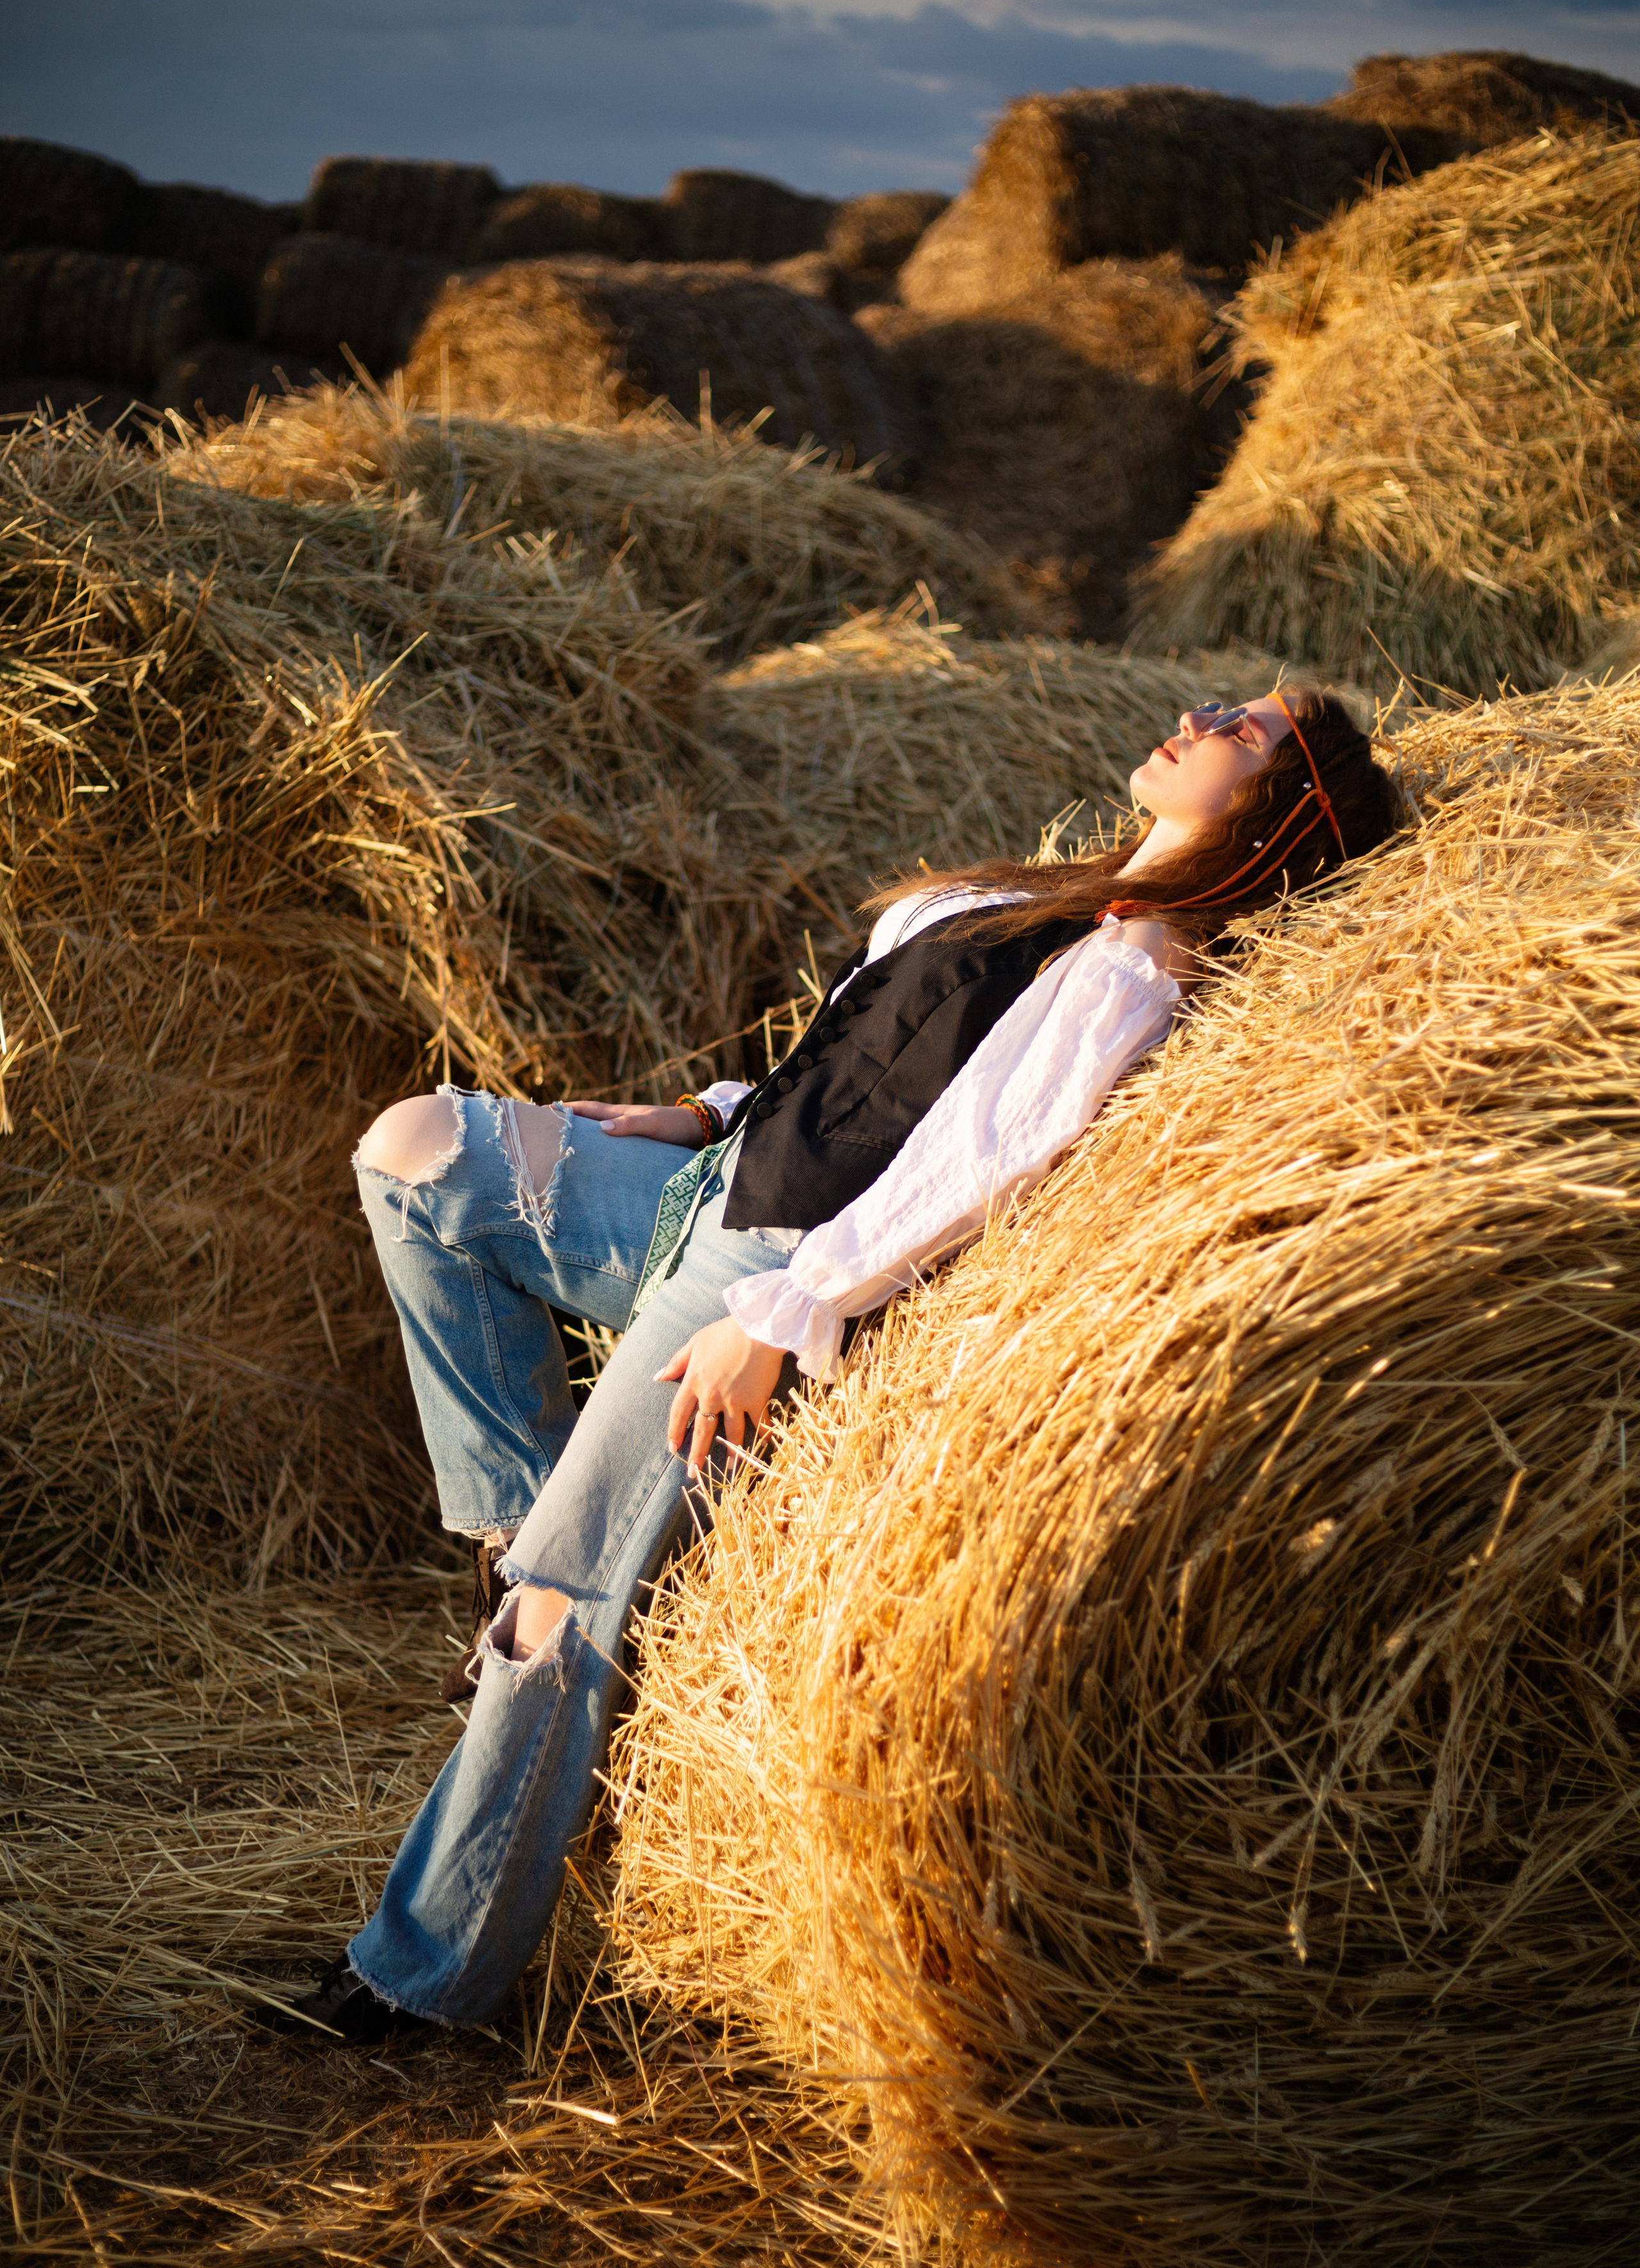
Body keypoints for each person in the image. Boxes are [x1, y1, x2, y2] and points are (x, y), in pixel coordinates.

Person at [257, 687, 1396, 2041]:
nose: (1197, 717)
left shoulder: (1130, 965)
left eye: (1243, 730)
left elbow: (971, 1166)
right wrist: (702, 1115)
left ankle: (420, 1975)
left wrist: (790, 1312)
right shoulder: (1033, 898)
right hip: (715, 1186)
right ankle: (520, 1511)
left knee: (559, 1615)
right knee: (417, 1150)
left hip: (774, 1266)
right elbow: (861, 1061)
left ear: (1274, 811)